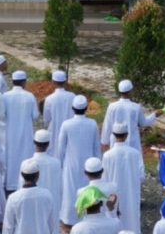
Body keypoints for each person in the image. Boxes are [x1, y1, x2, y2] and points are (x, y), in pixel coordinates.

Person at [57, 95, 101, 228]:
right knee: (87, 189)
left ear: (72, 108)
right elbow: (96, 147)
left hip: (70, 164)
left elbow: (60, 148)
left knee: (70, 191)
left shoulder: (67, 124)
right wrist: (98, 167)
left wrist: (59, 165)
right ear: (86, 108)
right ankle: (85, 217)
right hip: (89, 165)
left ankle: (68, 219)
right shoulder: (92, 124)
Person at [101, 121, 144, 233]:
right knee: (132, 222)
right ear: (126, 135)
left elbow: (104, 179)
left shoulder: (107, 156)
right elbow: (141, 176)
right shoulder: (135, 154)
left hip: (113, 196)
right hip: (131, 195)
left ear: (113, 134)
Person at [2, 71, 40, 192]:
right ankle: (25, 181)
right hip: (25, 133)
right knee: (25, 156)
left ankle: (10, 184)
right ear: (24, 82)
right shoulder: (29, 96)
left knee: (11, 157)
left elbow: (2, 114)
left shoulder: (5, 96)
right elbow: (35, 115)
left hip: (10, 133)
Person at [101, 80, 160, 152]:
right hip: (132, 143)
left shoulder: (112, 107)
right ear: (130, 91)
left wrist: (104, 141)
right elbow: (144, 123)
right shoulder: (136, 107)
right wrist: (155, 115)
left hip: (116, 142)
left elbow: (107, 125)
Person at [3, 158, 55, 234]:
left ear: (22, 174)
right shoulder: (47, 195)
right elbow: (51, 224)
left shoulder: (13, 198)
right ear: (38, 175)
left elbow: (8, 227)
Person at [30, 130, 65, 234]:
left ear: (34, 142)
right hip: (53, 202)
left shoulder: (27, 164)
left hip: (34, 204)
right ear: (48, 144)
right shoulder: (56, 163)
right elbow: (61, 187)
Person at [42, 70, 75, 146]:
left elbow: (46, 119)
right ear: (65, 82)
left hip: (54, 131)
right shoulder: (72, 96)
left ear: (53, 82)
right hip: (70, 131)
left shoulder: (49, 99)